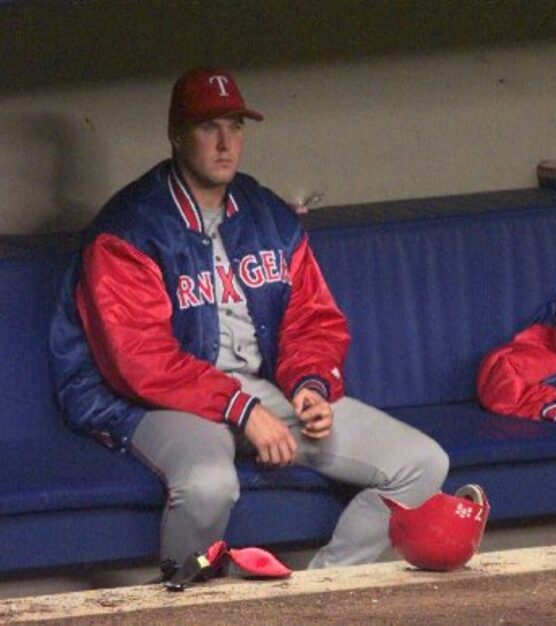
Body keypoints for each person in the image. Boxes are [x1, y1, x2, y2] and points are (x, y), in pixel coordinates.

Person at [49, 67, 449, 570]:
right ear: (176, 134)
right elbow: (140, 361)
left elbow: (312, 318)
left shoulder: (266, 214)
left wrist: (310, 385)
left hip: (254, 393)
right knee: (208, 485)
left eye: (235, 126)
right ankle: (186, 603)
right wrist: (239, 409)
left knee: (422, 463)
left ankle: (318, 598)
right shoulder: (129, 228)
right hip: (148, 400)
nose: (225, 143)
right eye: (208, 126)